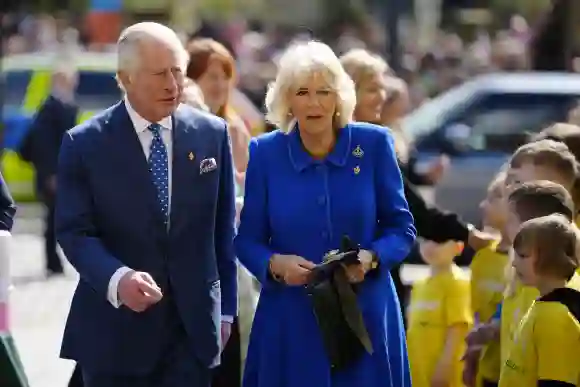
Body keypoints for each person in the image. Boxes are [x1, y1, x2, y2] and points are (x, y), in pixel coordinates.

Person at [55, 22, 238, 387]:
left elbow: (222, 232)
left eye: (178, 72)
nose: (173, 85)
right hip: (115, 338)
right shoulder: (85, 144)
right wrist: (118, 278)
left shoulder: (211, 135)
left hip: (193, 337)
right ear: (126, 78)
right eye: (160, 74)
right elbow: (74, 233)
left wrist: (226, 312)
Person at [235, 41, 416, 387]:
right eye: (302, 92)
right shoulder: (265, 153)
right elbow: (247, 241)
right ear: (288, 99)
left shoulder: (375, 144)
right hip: (291, 319)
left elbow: (402, 227)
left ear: (339, 98)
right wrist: (274, 264)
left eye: (324, 91)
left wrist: (372, 257)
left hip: (366, 317)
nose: (314, 102)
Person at [339, 48, 492, 311]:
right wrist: (467, 234)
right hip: (350, 285)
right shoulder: (359, 146)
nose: (383, 97)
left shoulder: (365, 143)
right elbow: (412, 210)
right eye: (373, 89)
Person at [499, 214, 580, 387]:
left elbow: (557, 383)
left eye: (522, 255)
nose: (514, 263)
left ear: (549, 258)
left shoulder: (555, 317)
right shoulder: (544, 306)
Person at [24, 64, 78, 276]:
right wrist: (50, 175)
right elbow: (44, 145)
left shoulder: (65, 104)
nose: (74, 83)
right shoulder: (50, 108)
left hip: (62, 173)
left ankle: (55, 262)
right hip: (52, 175)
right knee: (53, 219)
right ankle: (52, 262)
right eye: (69, 79)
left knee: (58, 218)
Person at [463, 172, 510, 387]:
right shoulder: (482, 257)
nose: (483, 205)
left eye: (494, 198)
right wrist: (470, 360)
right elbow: (476, 315)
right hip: (485, 372)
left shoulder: (525, 261)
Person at [186, 38, 251, 189]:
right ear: (190, 80)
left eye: (226, 77)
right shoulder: (174, 126)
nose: (221, 85)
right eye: (213, 77)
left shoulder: (235, 131)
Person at [406, 238, 471, 387]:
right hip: (419, 371)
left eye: (438, 240)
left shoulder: (457, 283)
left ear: (458, 247)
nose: (430, 246)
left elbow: (458, 329)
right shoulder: (419, 285)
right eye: (425, 240)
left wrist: (444, 367)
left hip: (443, 374)